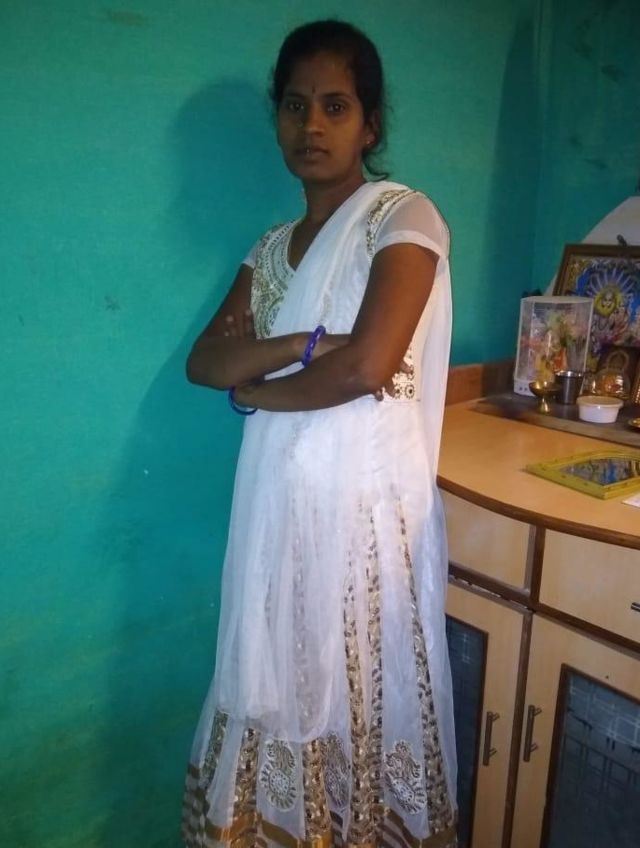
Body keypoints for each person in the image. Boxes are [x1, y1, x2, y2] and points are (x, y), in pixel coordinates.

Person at [181, 19, 457, 848]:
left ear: (370, 125)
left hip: (366, 523)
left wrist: (258, 390)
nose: (312, 125)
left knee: (361, 702)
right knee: (277, 690)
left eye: (336, 106)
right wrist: (300, 345)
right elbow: (205, 362)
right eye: (295, 106)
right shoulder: (271, 250)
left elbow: (367, 367)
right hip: (276, 516)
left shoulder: (403, 218)